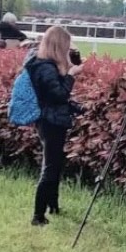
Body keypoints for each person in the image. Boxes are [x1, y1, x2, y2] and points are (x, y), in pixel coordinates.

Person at [25, 25, 80, 225]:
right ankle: (38, 215)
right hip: (51, 121)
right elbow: (58, 95)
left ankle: (52, 205)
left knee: (55, 164)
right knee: (49, 167)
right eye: (66, 46)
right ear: (59, 46)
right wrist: (72, 74)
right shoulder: (45, 68)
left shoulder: (42, 64)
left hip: (51, 120)